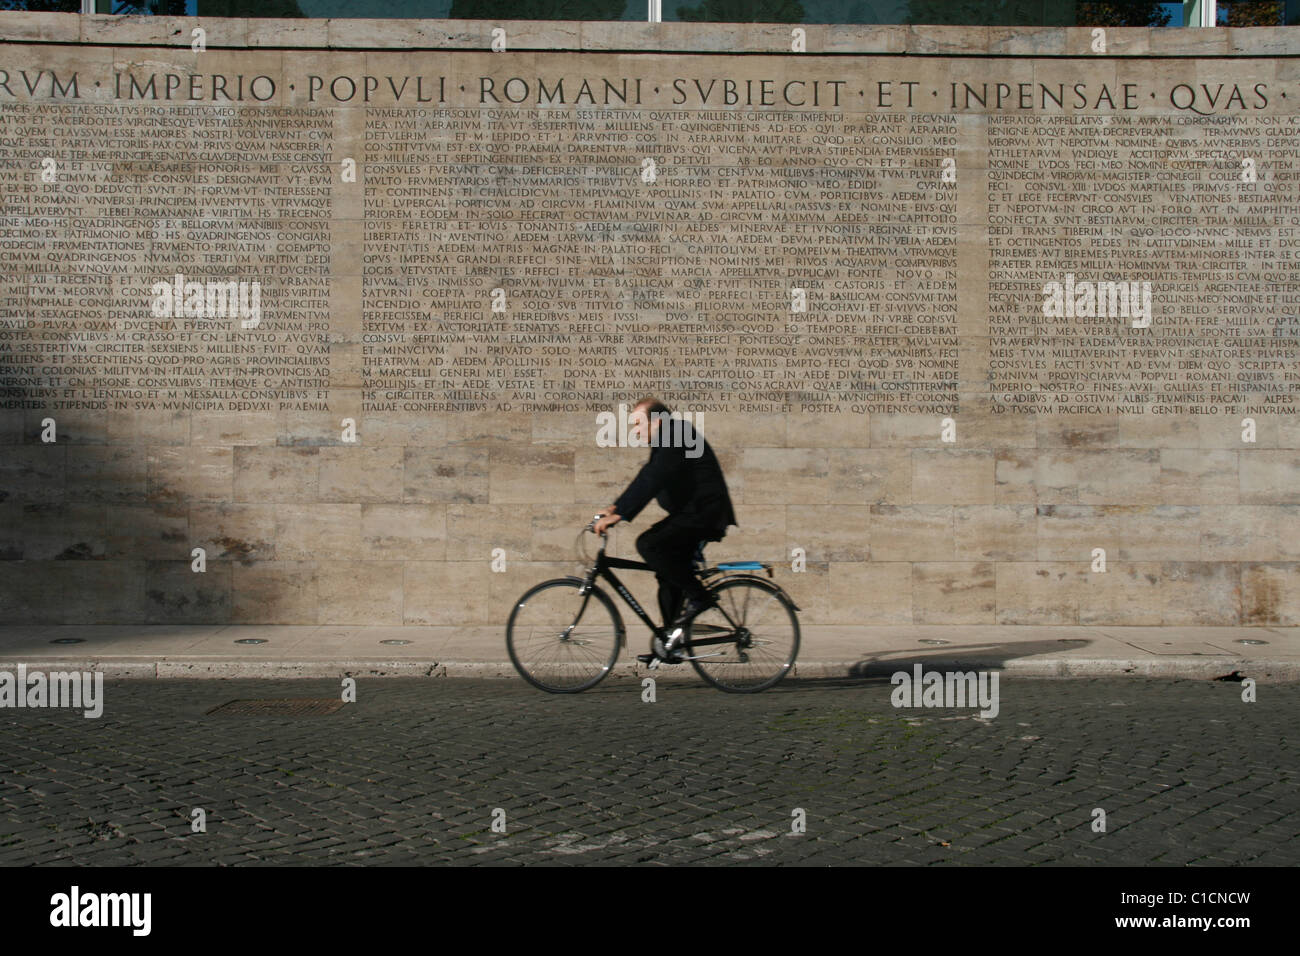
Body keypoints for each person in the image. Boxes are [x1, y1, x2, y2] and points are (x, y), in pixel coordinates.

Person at [592, 397, 737, 663]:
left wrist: (621, 513)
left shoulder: (675, 433)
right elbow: (650, 474)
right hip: (694, 514)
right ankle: (670, 642)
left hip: (704, 515)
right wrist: (615, 508)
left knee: (649, 544)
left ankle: (700, 597)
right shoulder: (670, 436)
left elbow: (655, 476)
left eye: (638, 423)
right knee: (667, 573)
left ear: (656, 421)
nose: (635, 430)